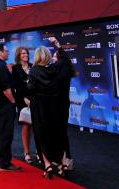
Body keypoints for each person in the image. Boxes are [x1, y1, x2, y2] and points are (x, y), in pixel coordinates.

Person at [28, 47, 64, 178]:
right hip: (54, 106)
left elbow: (30, 88)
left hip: (39, 107)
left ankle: (48, 165)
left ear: (37, 57)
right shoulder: (54, 69)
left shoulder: (33, 71)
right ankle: (60, 164)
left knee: (41, 134)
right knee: (55, 133)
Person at [0, 42, 21, 171]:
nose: (8, 52)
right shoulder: (0, 66)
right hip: (3, 106)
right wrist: (13, 101)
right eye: (6, 50)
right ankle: (4, 163)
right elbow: (6, 90)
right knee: (5, 134)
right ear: (0, 52)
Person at [50, 37, 76, 172]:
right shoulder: (65, 68)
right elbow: (65, 58)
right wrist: (57, 45)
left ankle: (63, 161)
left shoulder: (55, 69)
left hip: (56, 106)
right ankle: (65, 160)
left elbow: (63, 58)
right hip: (62, 104)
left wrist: (58, 47)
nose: (53, 58)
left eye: (54, 56)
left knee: (58, 133)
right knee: (61, 133)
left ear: (58, 59)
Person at [11, 47, 35, 164]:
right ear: (18, 55)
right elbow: (15, 86)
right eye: (23, 53)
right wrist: (24, 98)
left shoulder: (33, 66)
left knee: (37, 127)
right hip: (22, 100)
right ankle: (27, 152)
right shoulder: (15, 68)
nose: (25, 55)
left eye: (26, 53)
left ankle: (40, 153)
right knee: (26, 126)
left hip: (35, 99)